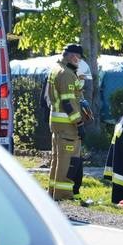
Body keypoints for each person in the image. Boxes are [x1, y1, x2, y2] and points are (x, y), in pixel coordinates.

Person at [47, 44, 86, 201]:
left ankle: (53, 191)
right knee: (67, 160)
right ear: (72, 56)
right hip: (67, 124)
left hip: (57, 123)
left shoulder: (57, 69)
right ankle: (63, 194)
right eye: (79, 58)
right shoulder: (67, 74)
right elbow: (68, 102)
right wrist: (79, 123)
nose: (80, 62)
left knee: (58, 158)